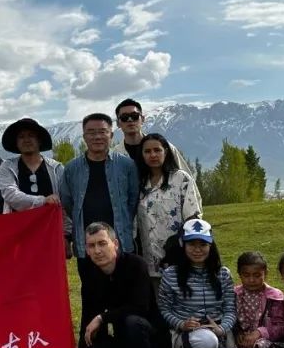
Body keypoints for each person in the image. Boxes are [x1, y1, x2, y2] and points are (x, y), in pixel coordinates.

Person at [70, 223, 172, 348]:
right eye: (91, 246)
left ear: (115, 244)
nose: (97, 251)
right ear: (87, 250)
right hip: (123, 342)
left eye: (102, 243)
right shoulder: (91, 277)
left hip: (153, 340)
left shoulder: (136, 265)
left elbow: (140, 308)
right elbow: (88, 322)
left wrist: (103, 317)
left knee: (132, 322)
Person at [157, 218, 237, 348]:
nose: (197, 249)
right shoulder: (171, 274)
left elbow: (230, 309)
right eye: (192, 244)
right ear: (183, 245)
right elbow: (164, 309)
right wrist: (181, 324)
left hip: (220, 333)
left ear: (211, 245)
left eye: (203, 244)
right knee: (207, 341)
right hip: (189, 333)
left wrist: (222, 328)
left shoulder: (223, 274)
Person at [59, 113, 140, 267]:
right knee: (90, 282)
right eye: (91, 132)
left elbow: (133, 200)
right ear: (84, 137)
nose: (97, 137)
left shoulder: (127, 165)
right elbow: (68, 203)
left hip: (120, 242)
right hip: (86, 245)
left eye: (103, 132)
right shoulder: (71, 168)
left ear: (111, 135)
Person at [137, 132, 203, 293]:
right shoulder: (140, 183)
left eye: (157, 150)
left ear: (165, 152)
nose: (153, 155)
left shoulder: (181, 179)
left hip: (178, 255)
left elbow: (193, 216)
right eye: (147, 151)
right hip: (149, 259)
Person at [229, 251, 284, 348]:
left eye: (257, 275)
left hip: (265, 341)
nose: (252, 280)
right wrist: (237, 333)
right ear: (239, 275)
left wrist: (259, 333)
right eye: (246, 275)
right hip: (242, 341)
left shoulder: (274, 296)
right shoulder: (234, 294)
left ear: (265, 274)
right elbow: (229, 317)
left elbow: (281, 326)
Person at [112, 98, 191, 179]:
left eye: (134, 116)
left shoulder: (164, 147)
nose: (130, 120)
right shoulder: (114, 156)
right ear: (118, 123)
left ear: (143, 119)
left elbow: (186, 179)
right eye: (124, 117)